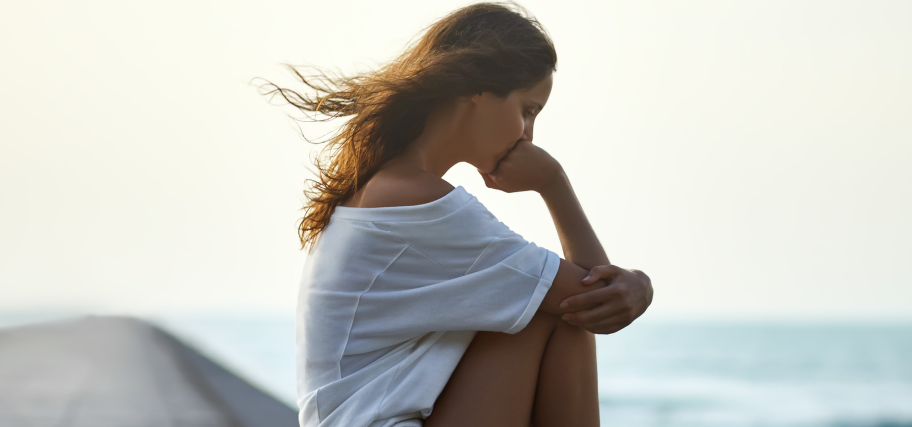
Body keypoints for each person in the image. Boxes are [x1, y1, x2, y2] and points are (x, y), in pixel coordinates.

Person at [256, 3, 654, 427]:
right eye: (527, 110)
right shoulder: (419, 203)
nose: (529, 135)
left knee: (539, 303)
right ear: (476, 89)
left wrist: (634, 287)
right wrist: (554, 183)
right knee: (558, 313)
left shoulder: (384, 187)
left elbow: (589, 293)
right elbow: (595, 300)